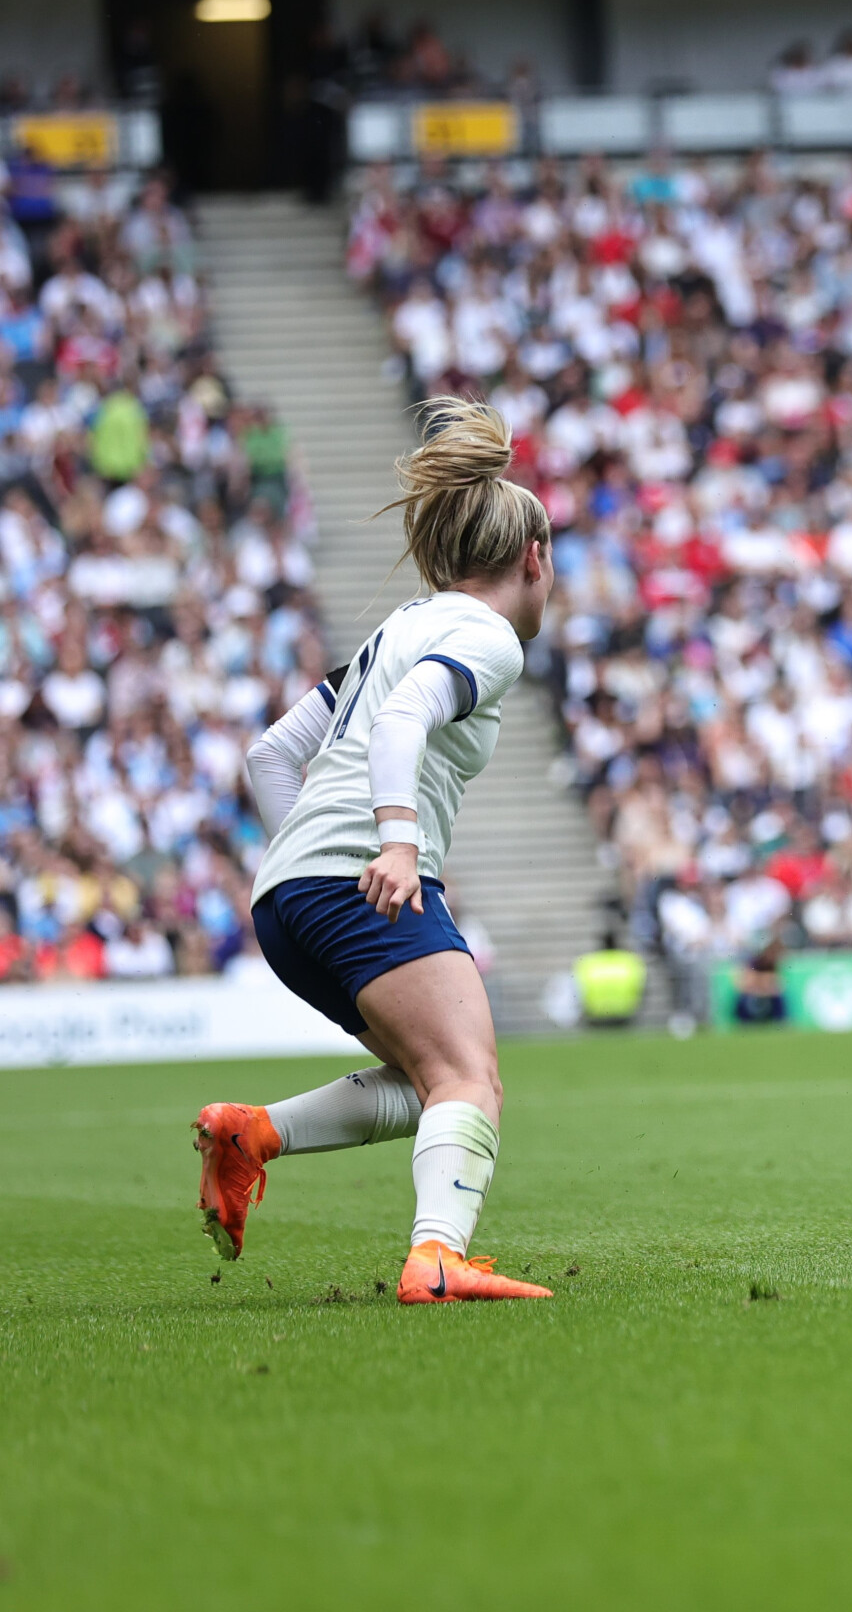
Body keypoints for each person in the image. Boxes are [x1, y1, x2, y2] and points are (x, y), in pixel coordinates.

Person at [191, 400, 557, 1304]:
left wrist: (304, 860)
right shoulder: (486, 636)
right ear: (532, 559)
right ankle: (437, 1257)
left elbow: (270, 752)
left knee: (428, 1079)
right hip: (361, 881)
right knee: (470, 1077)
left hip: (288, 897)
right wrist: (395, 842)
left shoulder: (397, 628)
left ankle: (252, 1137)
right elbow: (404, 720)